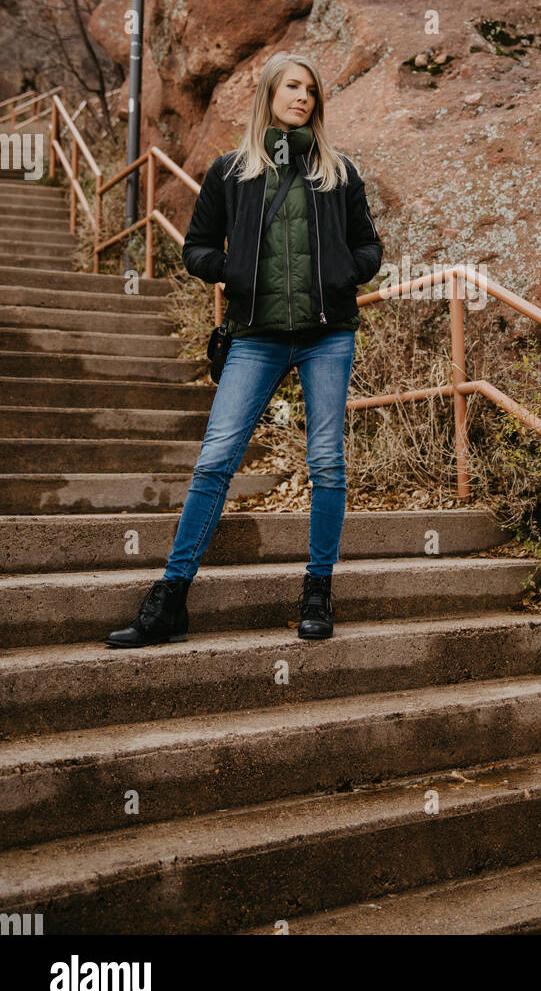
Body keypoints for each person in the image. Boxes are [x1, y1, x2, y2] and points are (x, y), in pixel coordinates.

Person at [106, 51, 383, 648]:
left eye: (310, 89)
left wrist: (343, 274)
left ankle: (317, 590)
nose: (302, 96)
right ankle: (172, 597)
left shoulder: (338, 172)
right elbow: (195, 248)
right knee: (215, 460)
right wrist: (229, 271)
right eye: (291, 86)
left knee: (327, 460)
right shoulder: (233, 172)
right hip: (255, 336)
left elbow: (370, 248)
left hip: (327, 335)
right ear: (268, 94)